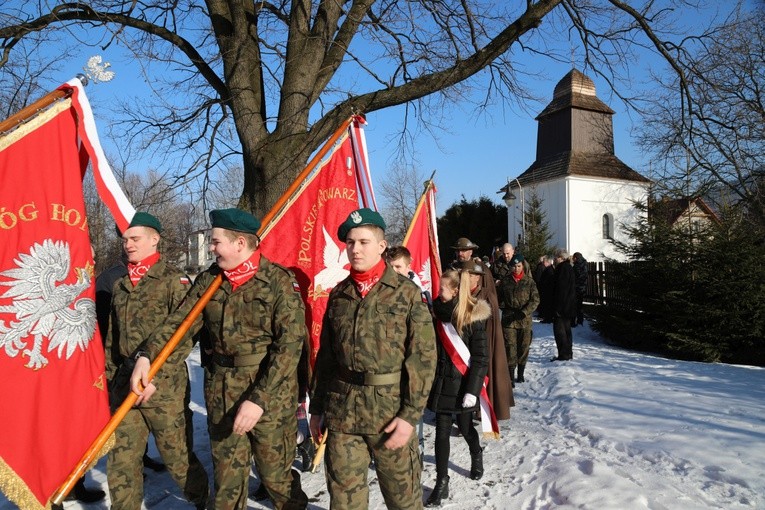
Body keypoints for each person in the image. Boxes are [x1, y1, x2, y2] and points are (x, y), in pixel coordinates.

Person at [131, 208, 308, 510]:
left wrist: (259, 400)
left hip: (269, 396)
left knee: (275, 478)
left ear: (240, 243)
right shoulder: (209, 280)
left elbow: (289, 348)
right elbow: (180, 327)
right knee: (227, 482)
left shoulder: (278, 282)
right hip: (221, 393)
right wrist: (148, 359)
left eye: (215, 242)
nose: (210, 248)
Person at [309, 208, 436, 510]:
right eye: (350, 242)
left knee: (403, 500)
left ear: (381, 246)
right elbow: (326, 356)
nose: (355, 249)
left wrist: (409, 416)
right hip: (343, 412)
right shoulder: (339, 294)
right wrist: (317, 407)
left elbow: (423, 359)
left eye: (364, 242)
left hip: (389, 413)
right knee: (344, 501)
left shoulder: (406, 294)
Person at [105, 212, 209, 509]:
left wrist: (155, 376)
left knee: (177, 459)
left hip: (164, 389)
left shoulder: (173, 281)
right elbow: (114, 340)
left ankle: (204, 502)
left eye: (135, 238)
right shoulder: (121, 285)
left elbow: (185, 334)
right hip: (126, 386)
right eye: (125, 239)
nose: (128, 245)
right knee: (121, 461)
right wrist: (110, 381)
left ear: (155, 239)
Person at [424, 269, 490, 507]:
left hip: (462, 386)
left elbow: (481, 358)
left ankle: (476, 452)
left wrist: (473, 391)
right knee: (441, 433)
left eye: (442, 288)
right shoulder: (435, 313)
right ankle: (442, 482)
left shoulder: (471, 317)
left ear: (454, 291)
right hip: (441, 382)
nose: (437, 292)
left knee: (465, 428)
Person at [449, 238, 513, 421]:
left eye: (464, 250)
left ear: (471, 251)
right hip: (459, 330)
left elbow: (486, 298)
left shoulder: (481, 270)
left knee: (483, 368)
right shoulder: (453, 269)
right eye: (458, 250)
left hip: (480, 330)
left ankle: (481, 406)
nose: (460, 253)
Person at [386, 245, 432, 465]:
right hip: (388, 366)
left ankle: (418, 451)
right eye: (391, 266)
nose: (394, 271)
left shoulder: (417, 292)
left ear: (408, 266)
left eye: (398, 267)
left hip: (410, 365)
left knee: (413, 411)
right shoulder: (383, 289)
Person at [498, 254, 539, 384]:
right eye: (514, 266)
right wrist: (504, 307)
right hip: (509, 320)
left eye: (519, 266)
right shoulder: (505, 281)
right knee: (510, 347)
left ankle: (520, 373)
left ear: (523, 266)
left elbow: (535, 300)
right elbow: (499, 299)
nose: (516, 269)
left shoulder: (529, 282)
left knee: (524, 346)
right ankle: (510, 376)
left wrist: (525, 312)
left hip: (524, 320)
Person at [551, 248, 576, 361]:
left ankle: (564, 354)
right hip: (567, 306)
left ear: (561, 258)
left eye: (556, 257)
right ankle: (567, 353)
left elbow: (562, 289)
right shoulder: (568, 267)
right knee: (566, 330)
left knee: (560, 331)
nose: (554, 259)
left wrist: (558, 307)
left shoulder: (562, 268)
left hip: (562, 307)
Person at [536, 256, 555, 323]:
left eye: (544, 262)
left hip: (547, 290)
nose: (543, 263)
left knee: (547, 304)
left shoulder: (549, 269)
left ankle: (547, 318)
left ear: (547, 262)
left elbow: (547, 280)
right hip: (546, 289)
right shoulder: (549, 269)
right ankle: (546, 317)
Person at [572, 252, 589, 327]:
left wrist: (575, 284)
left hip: (578, 288)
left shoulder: (579, 265)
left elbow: (580, 276)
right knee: (578, 305)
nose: (573, 259)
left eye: (573, 258)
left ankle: (578, 321)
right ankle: (579, 321)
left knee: (577, 305)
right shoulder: (581, 264)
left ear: (576, 258)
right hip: (580, 287)